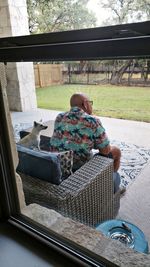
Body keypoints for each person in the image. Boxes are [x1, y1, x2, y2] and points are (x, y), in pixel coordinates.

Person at [50, 92, 121, 193]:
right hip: (80, 170)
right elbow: (105, 151)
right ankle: (110, 185)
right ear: (85, 104)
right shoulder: (92, 121)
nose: (91, 105)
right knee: (116, 151)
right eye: (90, 103)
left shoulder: (59, 117)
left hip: (58, 166)